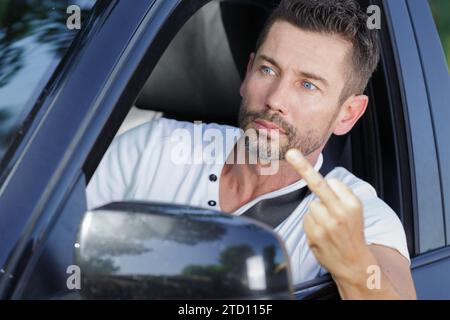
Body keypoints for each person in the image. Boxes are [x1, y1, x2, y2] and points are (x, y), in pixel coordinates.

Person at [86, 0, 417, 299]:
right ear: (247, 74)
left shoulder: (355, 215)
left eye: (307, 85)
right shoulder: (151, 149)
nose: (275, 99)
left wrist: (354, 264)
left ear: (348, 114)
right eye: (268, 69)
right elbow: (49, 251)